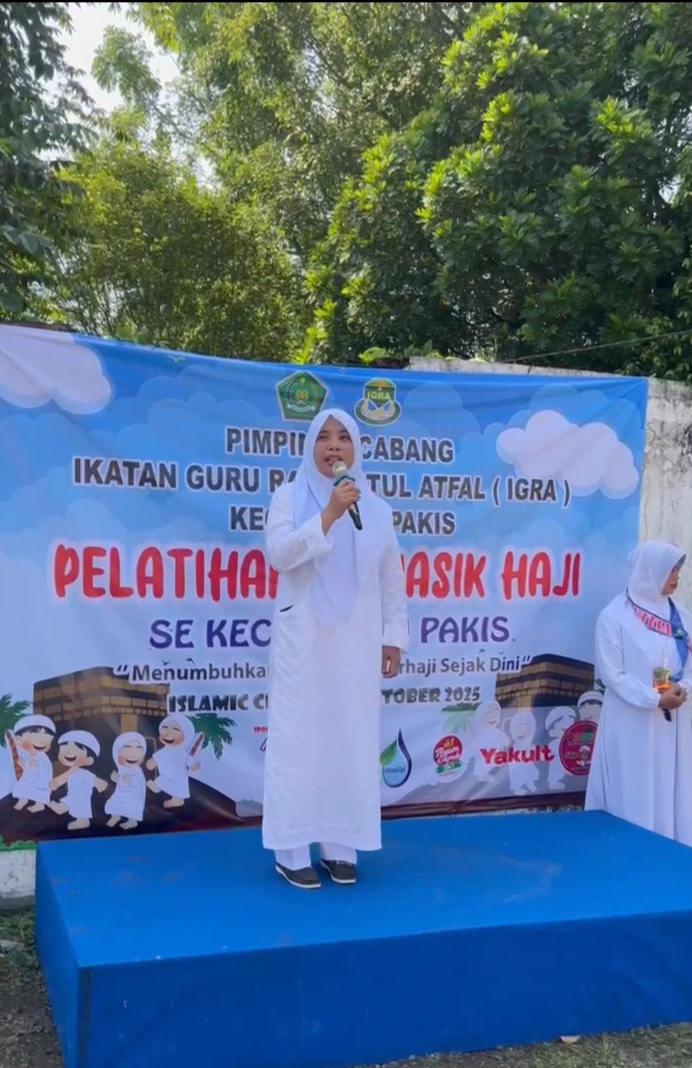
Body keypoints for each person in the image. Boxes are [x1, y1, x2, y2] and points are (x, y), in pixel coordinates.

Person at [262, 407, 408, 889]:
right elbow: (279, 556)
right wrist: (327, 514)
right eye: (323, 437)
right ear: (310, 446)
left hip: (356, 642)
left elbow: (391, 578)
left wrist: (393, 637)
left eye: (343, 437)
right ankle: (290, 848)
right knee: (299, 740)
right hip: (303, 640)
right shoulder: (288, 497)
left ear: (356, 448)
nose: (333, 446)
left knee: (351, 737)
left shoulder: (378, 509)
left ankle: (340, 844)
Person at [585, 540, 692, 846]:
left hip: (674, 723)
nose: (676, 577)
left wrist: (683, 688)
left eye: (677, 570)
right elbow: (613, 675)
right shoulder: (614, 616)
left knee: (671, 784)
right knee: (634, 785)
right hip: (632, 722)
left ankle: (672, 845)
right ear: (650, 570)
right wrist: (655, 698)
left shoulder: (681, 616)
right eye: (671, 570)